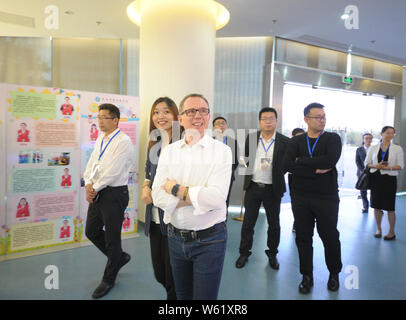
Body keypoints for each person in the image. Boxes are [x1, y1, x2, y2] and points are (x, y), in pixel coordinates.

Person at [151, 93, 232, 300]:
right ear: (181, 118)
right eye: (191, 111)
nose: (198, 115)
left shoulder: (221, 151)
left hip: (210, 239)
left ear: (208, 115)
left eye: (203, 110)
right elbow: (157, 194)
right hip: (175, 238)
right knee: (182, 296)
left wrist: (176, 189)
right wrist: (195, 196)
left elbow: (216, 199)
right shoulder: (169, 151)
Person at [283, 102, 342, 294]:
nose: (322, 120)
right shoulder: (295, 142)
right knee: (303, 237)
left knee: (329, 236)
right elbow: (287, 165)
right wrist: (315, 170)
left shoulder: (333, 139)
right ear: (306, 119)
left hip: (327, 197)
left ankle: (334, 273)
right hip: (300, 197)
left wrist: (302, 161)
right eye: (318, 117)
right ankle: (306, 276)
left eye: (324, 116)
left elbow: (330, 160)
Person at [83, 103, 134, 299]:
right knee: (91, 231)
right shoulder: (101, 138)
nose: (100, 121)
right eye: (98, 117)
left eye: (104, 117)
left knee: (113, 239)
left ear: (115, 120)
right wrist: (88, 182)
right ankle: (118, 258)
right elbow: (92, 163)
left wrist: (93, 188)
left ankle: (108, 278)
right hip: (98, 191)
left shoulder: (124, 141)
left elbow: (113, 172)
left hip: (114, 194)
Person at [235, 107, 290, 270]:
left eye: (271, 118)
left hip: (273, 189)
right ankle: (244, 253)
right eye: (264, 118)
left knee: (274, 224)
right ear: (260, 122)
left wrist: (278, 172)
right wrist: (244, 167)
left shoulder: (285, 141)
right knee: (248, 223)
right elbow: (243, 159)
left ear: (276, 121)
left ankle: (272, 254)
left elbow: (287, 164)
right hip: (253, 187)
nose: (268, 121)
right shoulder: (252, 138)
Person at [141, 97, 179, 300]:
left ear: (175, 115)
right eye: (156, 112)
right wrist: (146, 186)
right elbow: (149, 171)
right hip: (154, 215)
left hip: (173, 218)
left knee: (172, 273)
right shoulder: (154, 142)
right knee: (159, 272)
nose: (160, 116)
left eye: (166, 111)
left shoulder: (182, 144)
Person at [365, 126, 404, 240]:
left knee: (390, 207)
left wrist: (389, 168)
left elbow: (401, 165)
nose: (390, 135)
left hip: (389, 179)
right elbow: (367, 163)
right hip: (376, 178)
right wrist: (376, 166)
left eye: (392, 133)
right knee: (376, 206)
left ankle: (391, 232)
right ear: (382, 134)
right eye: (388, 133)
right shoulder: (373, 148)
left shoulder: (397, 148)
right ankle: (379, 229)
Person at [212, 116, 239, 209]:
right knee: (210, 201)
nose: (221, 125)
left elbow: (235, 162)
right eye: (218, 123)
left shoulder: (233, 142)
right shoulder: (208, 141)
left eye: (223, 123)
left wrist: (226, 172)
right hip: (211, 177)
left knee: (225, 202)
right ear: (213, 127)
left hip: (227, 177)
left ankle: (224, 222)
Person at [289, 128, 305, 232]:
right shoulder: (290, 147)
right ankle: (296, 223)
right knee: (295, 201)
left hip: (306, 178)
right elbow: (289, 163)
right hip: (293, 177)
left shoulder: (308, 147)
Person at [356, 133, 373, 213]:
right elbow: (357, 161)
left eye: (370, 138)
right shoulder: (359, 149)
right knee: (363, 191)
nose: (368, 140)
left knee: (374, 190)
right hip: (362, 173)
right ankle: (365, 207)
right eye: (366, 138)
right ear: (363, 140)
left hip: (373, 172)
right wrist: (362, 169)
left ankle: (377, 207)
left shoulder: (375, 149)